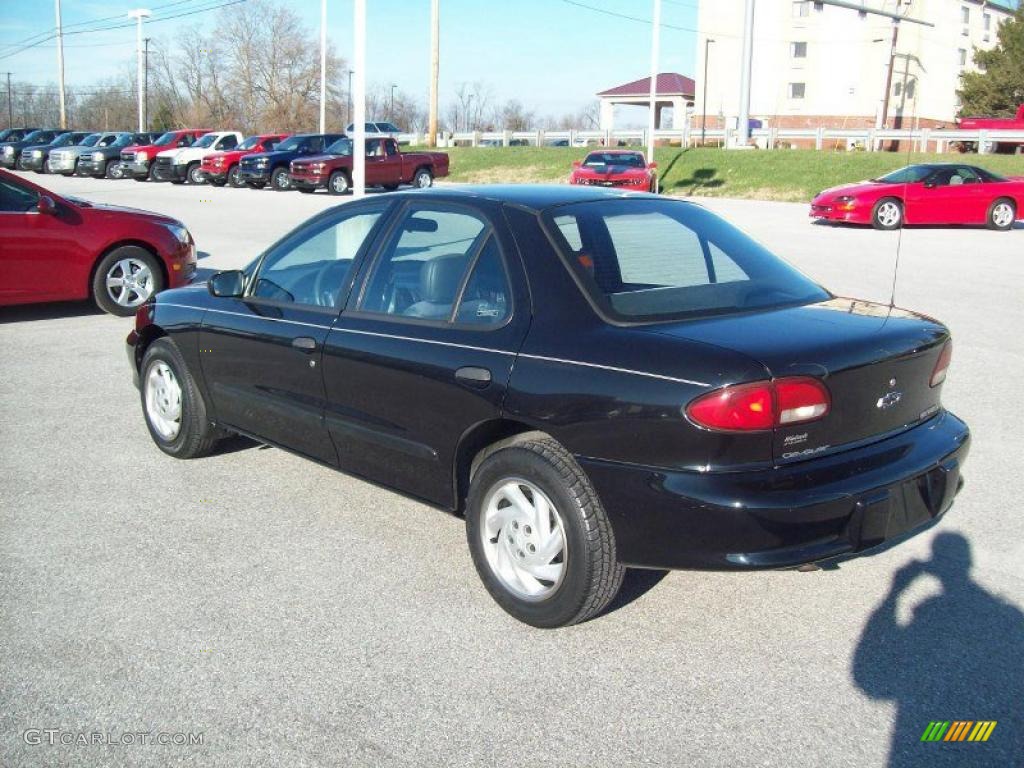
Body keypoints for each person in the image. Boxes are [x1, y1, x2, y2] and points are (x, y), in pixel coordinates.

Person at [852, 533, 1023, 767]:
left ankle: (956, 740)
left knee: (937, 739)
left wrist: (894, 594)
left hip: (919, 739)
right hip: (1000, 739)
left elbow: (870, 684)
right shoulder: (1010, 616)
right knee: (976, 736)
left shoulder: (1005, 614)